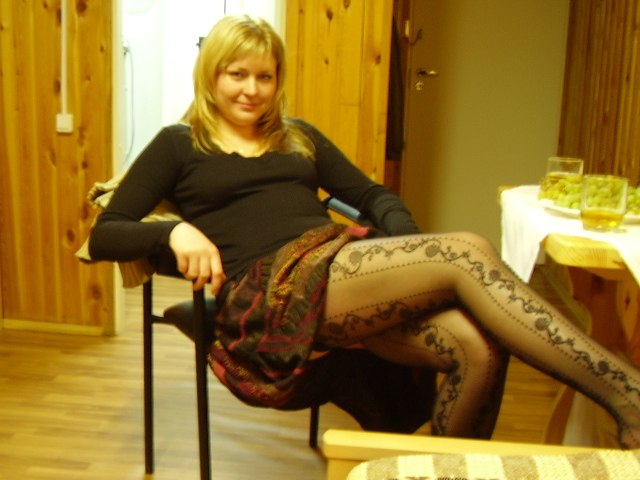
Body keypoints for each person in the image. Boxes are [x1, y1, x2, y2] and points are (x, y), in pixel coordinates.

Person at [88, 15, 640, 448]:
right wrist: (175, 232)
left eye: (265, 76)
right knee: (467, 251)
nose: (252, 89)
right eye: (237, 74)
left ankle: (442, 473)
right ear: (211, 75)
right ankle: (627, 392)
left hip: (337, 263)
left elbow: (375, 196)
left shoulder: (297, 136)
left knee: (477, 348)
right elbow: (107, 233)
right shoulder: (179, 143)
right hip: (272, 291)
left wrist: (402, 249)